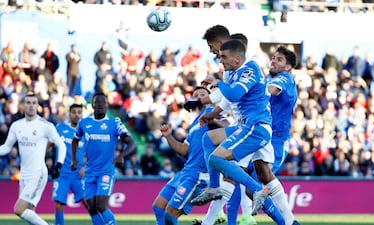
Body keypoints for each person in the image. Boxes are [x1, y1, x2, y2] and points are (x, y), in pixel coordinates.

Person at [192, 25, 280, 225]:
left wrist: (217, 83)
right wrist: (205, 103)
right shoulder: (232, 72)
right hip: (245, 127)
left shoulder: (250, 68)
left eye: (222, 57)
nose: (219, 60)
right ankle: (214, 189)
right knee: (208, 139)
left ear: (236, 57)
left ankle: (258, 191)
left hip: (256, 128)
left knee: (218, 162)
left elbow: (232, 95)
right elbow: (224, 100)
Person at [152, 86, 226, 225]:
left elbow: (227, 124)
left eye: (202, 94)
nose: (198, 96)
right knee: (158, 207)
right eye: (196, 95)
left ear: (210, 99)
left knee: (170, 214)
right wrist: (168, 136)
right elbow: (183, 150)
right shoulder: (194, 124)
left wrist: (213, 121)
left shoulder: (211, 112)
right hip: (185, 172)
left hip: (198, 174)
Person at [252, 45, 301, 225]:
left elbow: (272, 90)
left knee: (259, 181)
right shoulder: (268, 78)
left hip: (276, 141)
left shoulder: (285, 78)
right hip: (260, 138)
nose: (273, 60)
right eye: (273, 57)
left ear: (288, 67)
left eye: (279, 59)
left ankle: (288, 221)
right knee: (245, 180)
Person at [0, 93, 66, 225]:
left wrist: (59, 165)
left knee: (18, 209)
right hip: (24, 174)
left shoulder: (45, 126)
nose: (31, 105)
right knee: (29, 212)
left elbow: (61, 145)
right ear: (23, 105)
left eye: (33, 103)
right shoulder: (16, 126)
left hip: (38, 173)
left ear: (37, 106)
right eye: (28, 102)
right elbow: (6, 147)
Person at [71, 92, 136, 225]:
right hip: (89, 172)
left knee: (100, 205)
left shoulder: (114, 123)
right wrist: (74, 159)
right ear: (93, 105)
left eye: (103, 103)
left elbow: (131, 143)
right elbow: (75, 140)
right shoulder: (84, 123)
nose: (100, 105)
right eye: (97, 103)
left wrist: (121, 155)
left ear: (107, 106)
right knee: (92, 208)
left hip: (105, 171)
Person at [52, 103, 88, 225]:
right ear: (70, 114)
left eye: (79, 112)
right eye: (74, 112)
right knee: (59, 205)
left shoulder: (86, 134)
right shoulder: (60, 128)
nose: (76, 115)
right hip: (62, 174)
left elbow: (94, 154)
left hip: (78, 175)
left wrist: (86, 167)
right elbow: (48, 144)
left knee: (88, 203)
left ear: (82, 114)